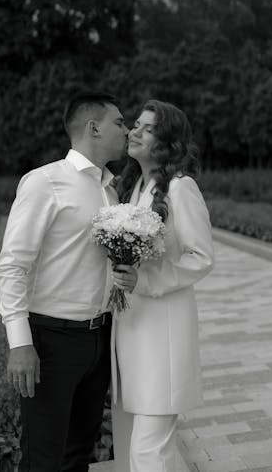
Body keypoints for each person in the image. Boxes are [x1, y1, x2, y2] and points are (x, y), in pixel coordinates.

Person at [0, 91, 128, 472]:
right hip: (52, 341)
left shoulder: (110, 190)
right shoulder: (45, 182)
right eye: (119, 122)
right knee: (43, 459)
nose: (126, 129)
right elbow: (12, 265)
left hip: (100, 338)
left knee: (78, 455)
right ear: (93, 127)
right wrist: (20, 343)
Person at [111, 99, 215, 472]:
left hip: (164, 338)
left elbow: (201, 256)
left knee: (148, 451)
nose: (134, 131)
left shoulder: (181, 188)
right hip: (131, 333)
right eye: (135, 124)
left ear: (166, 142)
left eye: (147, 127)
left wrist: (147, 280)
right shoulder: (132, 187)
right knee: (144, 449)